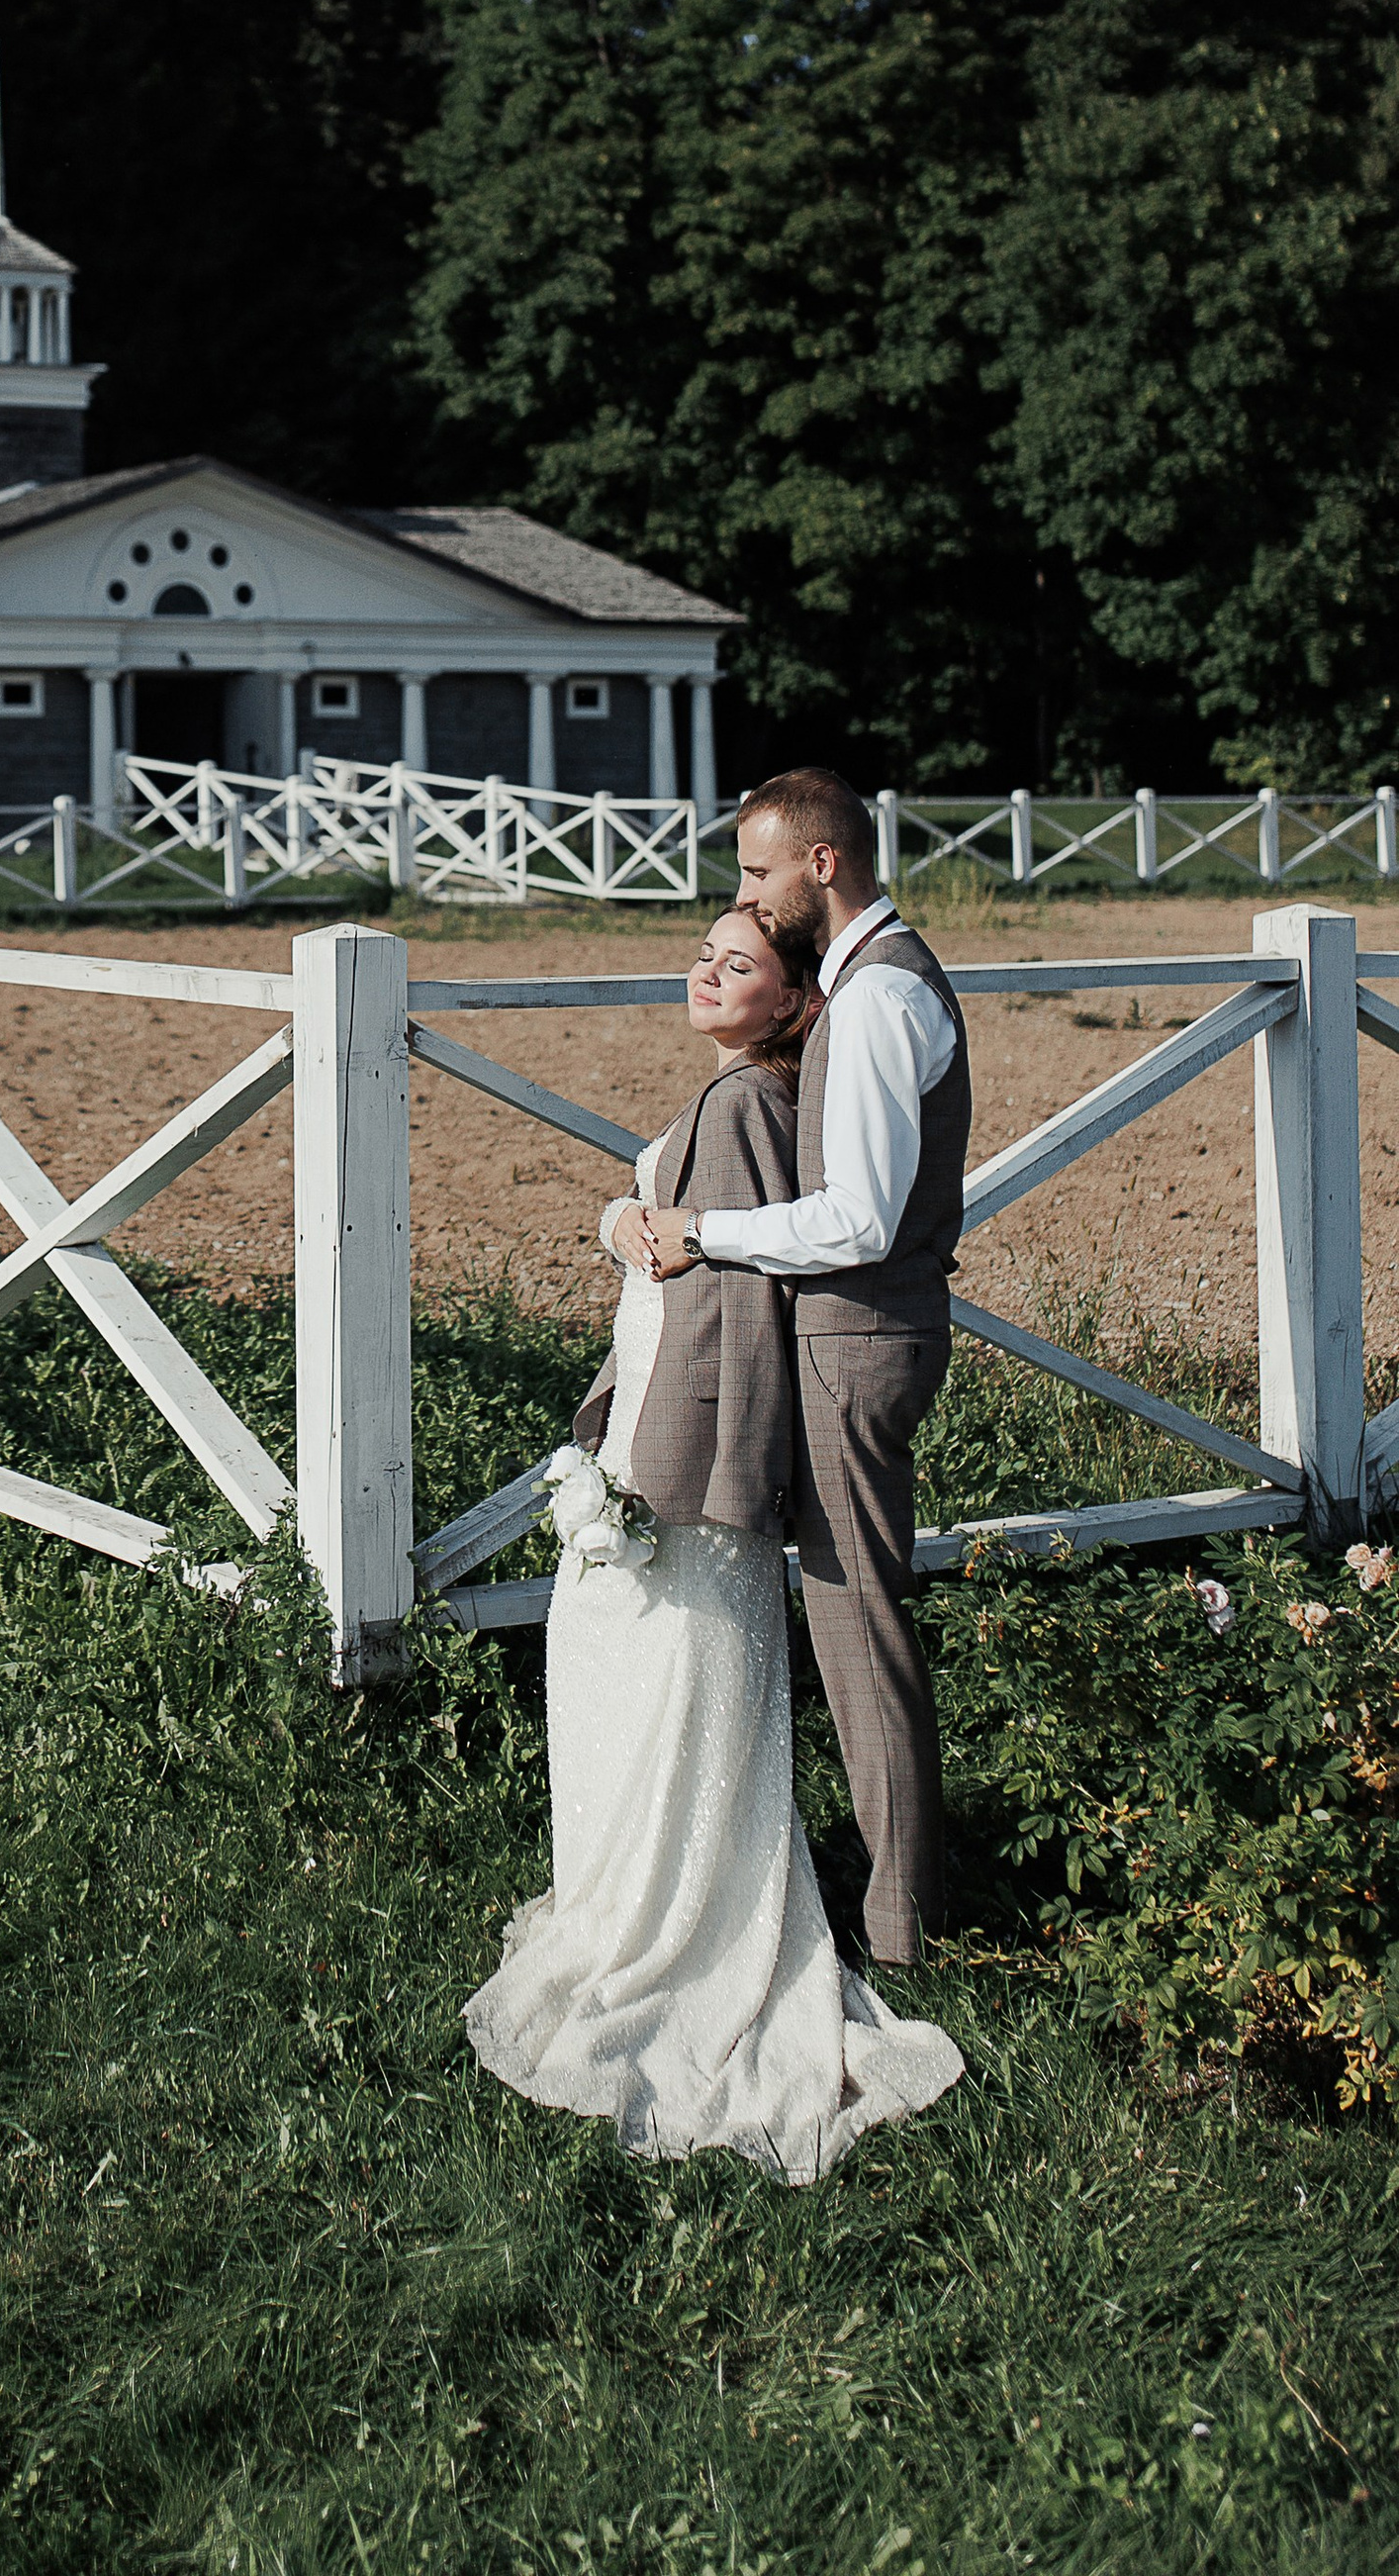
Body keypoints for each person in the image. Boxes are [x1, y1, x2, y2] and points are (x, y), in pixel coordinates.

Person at [464, 908, 962, 2182]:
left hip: (677, 1450)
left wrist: (659, 1485)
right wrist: (618, 1219)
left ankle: (670, 1921)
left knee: (652, 1665)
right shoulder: (739, 1090)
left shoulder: (749, 1104)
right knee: (620, 1670)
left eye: (738, 962)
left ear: (794, 1001)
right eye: (702, 950)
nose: (705, 970)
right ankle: (633, 1893)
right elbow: (653, 1217)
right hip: (649, 1414)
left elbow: (731, 1310)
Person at [628, 766, 971, 1969]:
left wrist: (707, 1233)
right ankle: (898, 1899)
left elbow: (859, 1219)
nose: (747, 895)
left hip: (858, 1336)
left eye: (757, 870)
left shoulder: (875, 1000)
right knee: (854, 1620)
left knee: (859, 1628)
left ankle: (902, 1927)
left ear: (821, 865)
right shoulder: (871, 983)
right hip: (860, 1334)